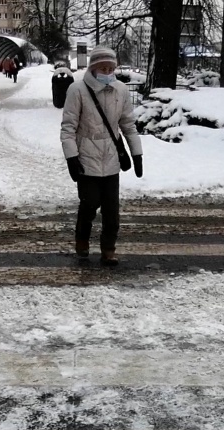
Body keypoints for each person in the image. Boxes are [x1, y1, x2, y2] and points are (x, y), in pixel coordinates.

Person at [60, 46, 143, 267]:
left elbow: (128, 125)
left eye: (110, 68)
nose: (107, 72)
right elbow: (68, 128)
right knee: (89, 205)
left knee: (111, 211)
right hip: (86, 158)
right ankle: (82, 240)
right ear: (93, 68)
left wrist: (137, 153)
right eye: (102, 68)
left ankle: (108, 249)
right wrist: (71, 158)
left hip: (112, 159)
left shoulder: (121, 91)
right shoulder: (77, 90)